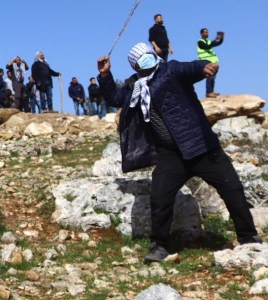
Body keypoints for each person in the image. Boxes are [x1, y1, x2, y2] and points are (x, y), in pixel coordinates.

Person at [97, 43, 262, 263]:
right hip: (170, 155)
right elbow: (114, 99)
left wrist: (206, 67)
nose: (148, 58)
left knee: (232, 188)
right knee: (160, 198)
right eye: (142, 58)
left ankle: (248, 238)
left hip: (201, 147)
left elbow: (192, 68)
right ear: (135, 65)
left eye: (149, 55)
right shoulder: (134, 87)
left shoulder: (170, 70)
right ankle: (159, 246)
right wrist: (105, 75)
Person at [197, 28, 224, 98]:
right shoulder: (200, 42)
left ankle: (211, 91)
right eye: (206, 32)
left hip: (212, 61)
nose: (207, 34)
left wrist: (221, 38)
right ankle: (208, 92)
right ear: (202, 34)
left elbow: (217, 43)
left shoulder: (208, 41)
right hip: (205, 60)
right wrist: (215, 40)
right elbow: (207, 46)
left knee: (213, 76)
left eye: (208, 32)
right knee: (209, 76)